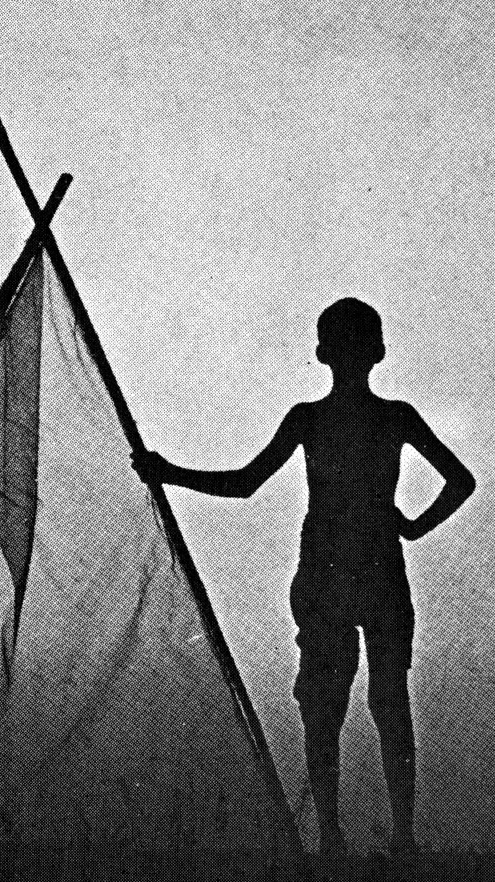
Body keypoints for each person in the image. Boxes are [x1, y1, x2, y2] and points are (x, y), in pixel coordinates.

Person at [131, 297, 475, 863]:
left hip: (341, 573)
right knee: (372, 702)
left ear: (325, 352)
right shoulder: (382, 418)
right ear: (376, 351)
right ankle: (381, 835)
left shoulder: (328, 419)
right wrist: (411, 526)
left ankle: (351, 836)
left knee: (339, 704)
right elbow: (458, 481)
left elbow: (245, 484)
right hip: (354, 573)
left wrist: (171, 473)